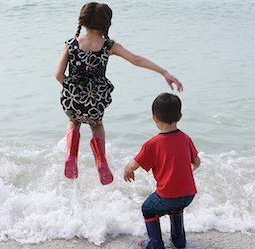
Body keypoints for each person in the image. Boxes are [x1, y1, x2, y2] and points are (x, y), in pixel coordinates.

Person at [55, 2, 183, 185]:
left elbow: (57, 74)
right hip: (95, 100)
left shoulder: (70, 44)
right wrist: (164, 72)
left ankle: (70, 156)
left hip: (72, 98)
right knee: (96, 125)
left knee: (73, 121)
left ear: (82, 21)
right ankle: (101, 161)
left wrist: (73, 89)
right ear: (106, 23)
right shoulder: (108, 45)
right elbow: (136, 59)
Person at [123, 93, 201, 249]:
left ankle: (155, 243)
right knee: (176, 207)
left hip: (167, 195)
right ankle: (179, 241)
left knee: (148, 209)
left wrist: (127, 169)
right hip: (188, 195)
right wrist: (191, 169)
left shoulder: (153, 144)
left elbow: (134, 164)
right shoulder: (185, 138)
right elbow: (197, 162)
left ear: (154, 118)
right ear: (180, 115)